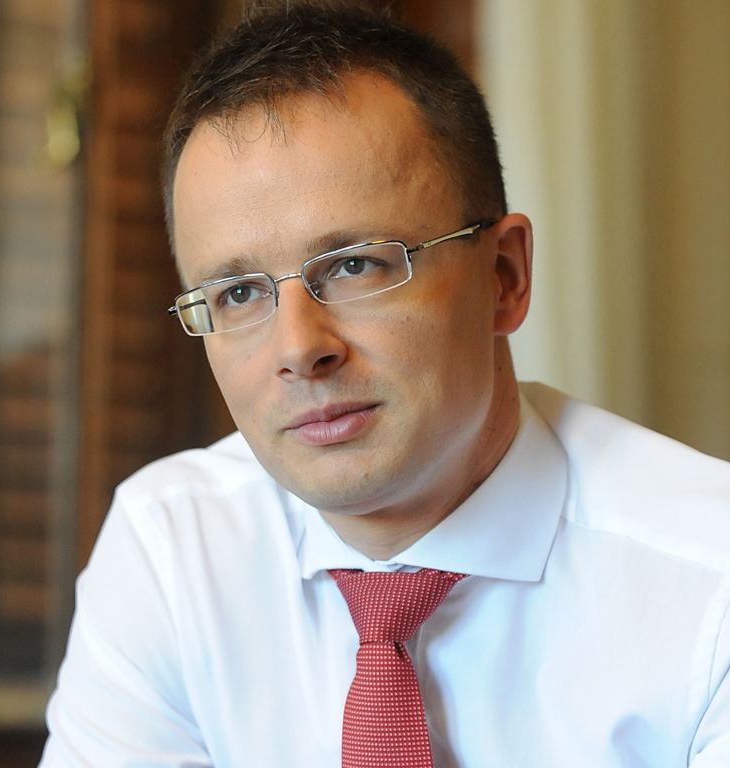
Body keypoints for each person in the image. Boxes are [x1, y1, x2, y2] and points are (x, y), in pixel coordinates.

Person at [39, 2, 730, 766]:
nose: (300, 349)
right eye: (236, 293)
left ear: (503, 277)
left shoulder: (710, 584)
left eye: (354, 265)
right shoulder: (173, 551)